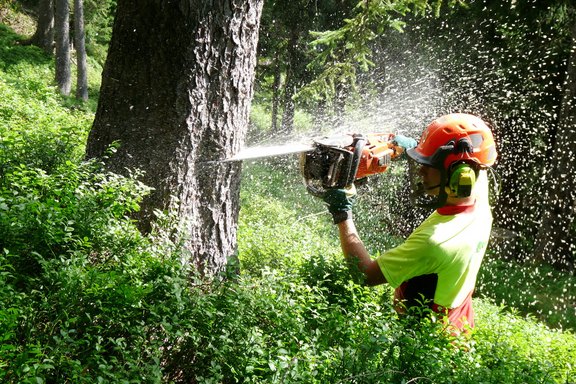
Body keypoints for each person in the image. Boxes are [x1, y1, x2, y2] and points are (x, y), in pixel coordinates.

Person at [319, 113, 498, 331]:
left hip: (430, 342)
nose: (420, 171)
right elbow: (468, 153)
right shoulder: (478, 193)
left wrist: (342, 212)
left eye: (428, 165)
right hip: (460, 324)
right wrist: (412, 148)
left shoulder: (436, 242)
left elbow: (364, 275)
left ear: (458, 175)